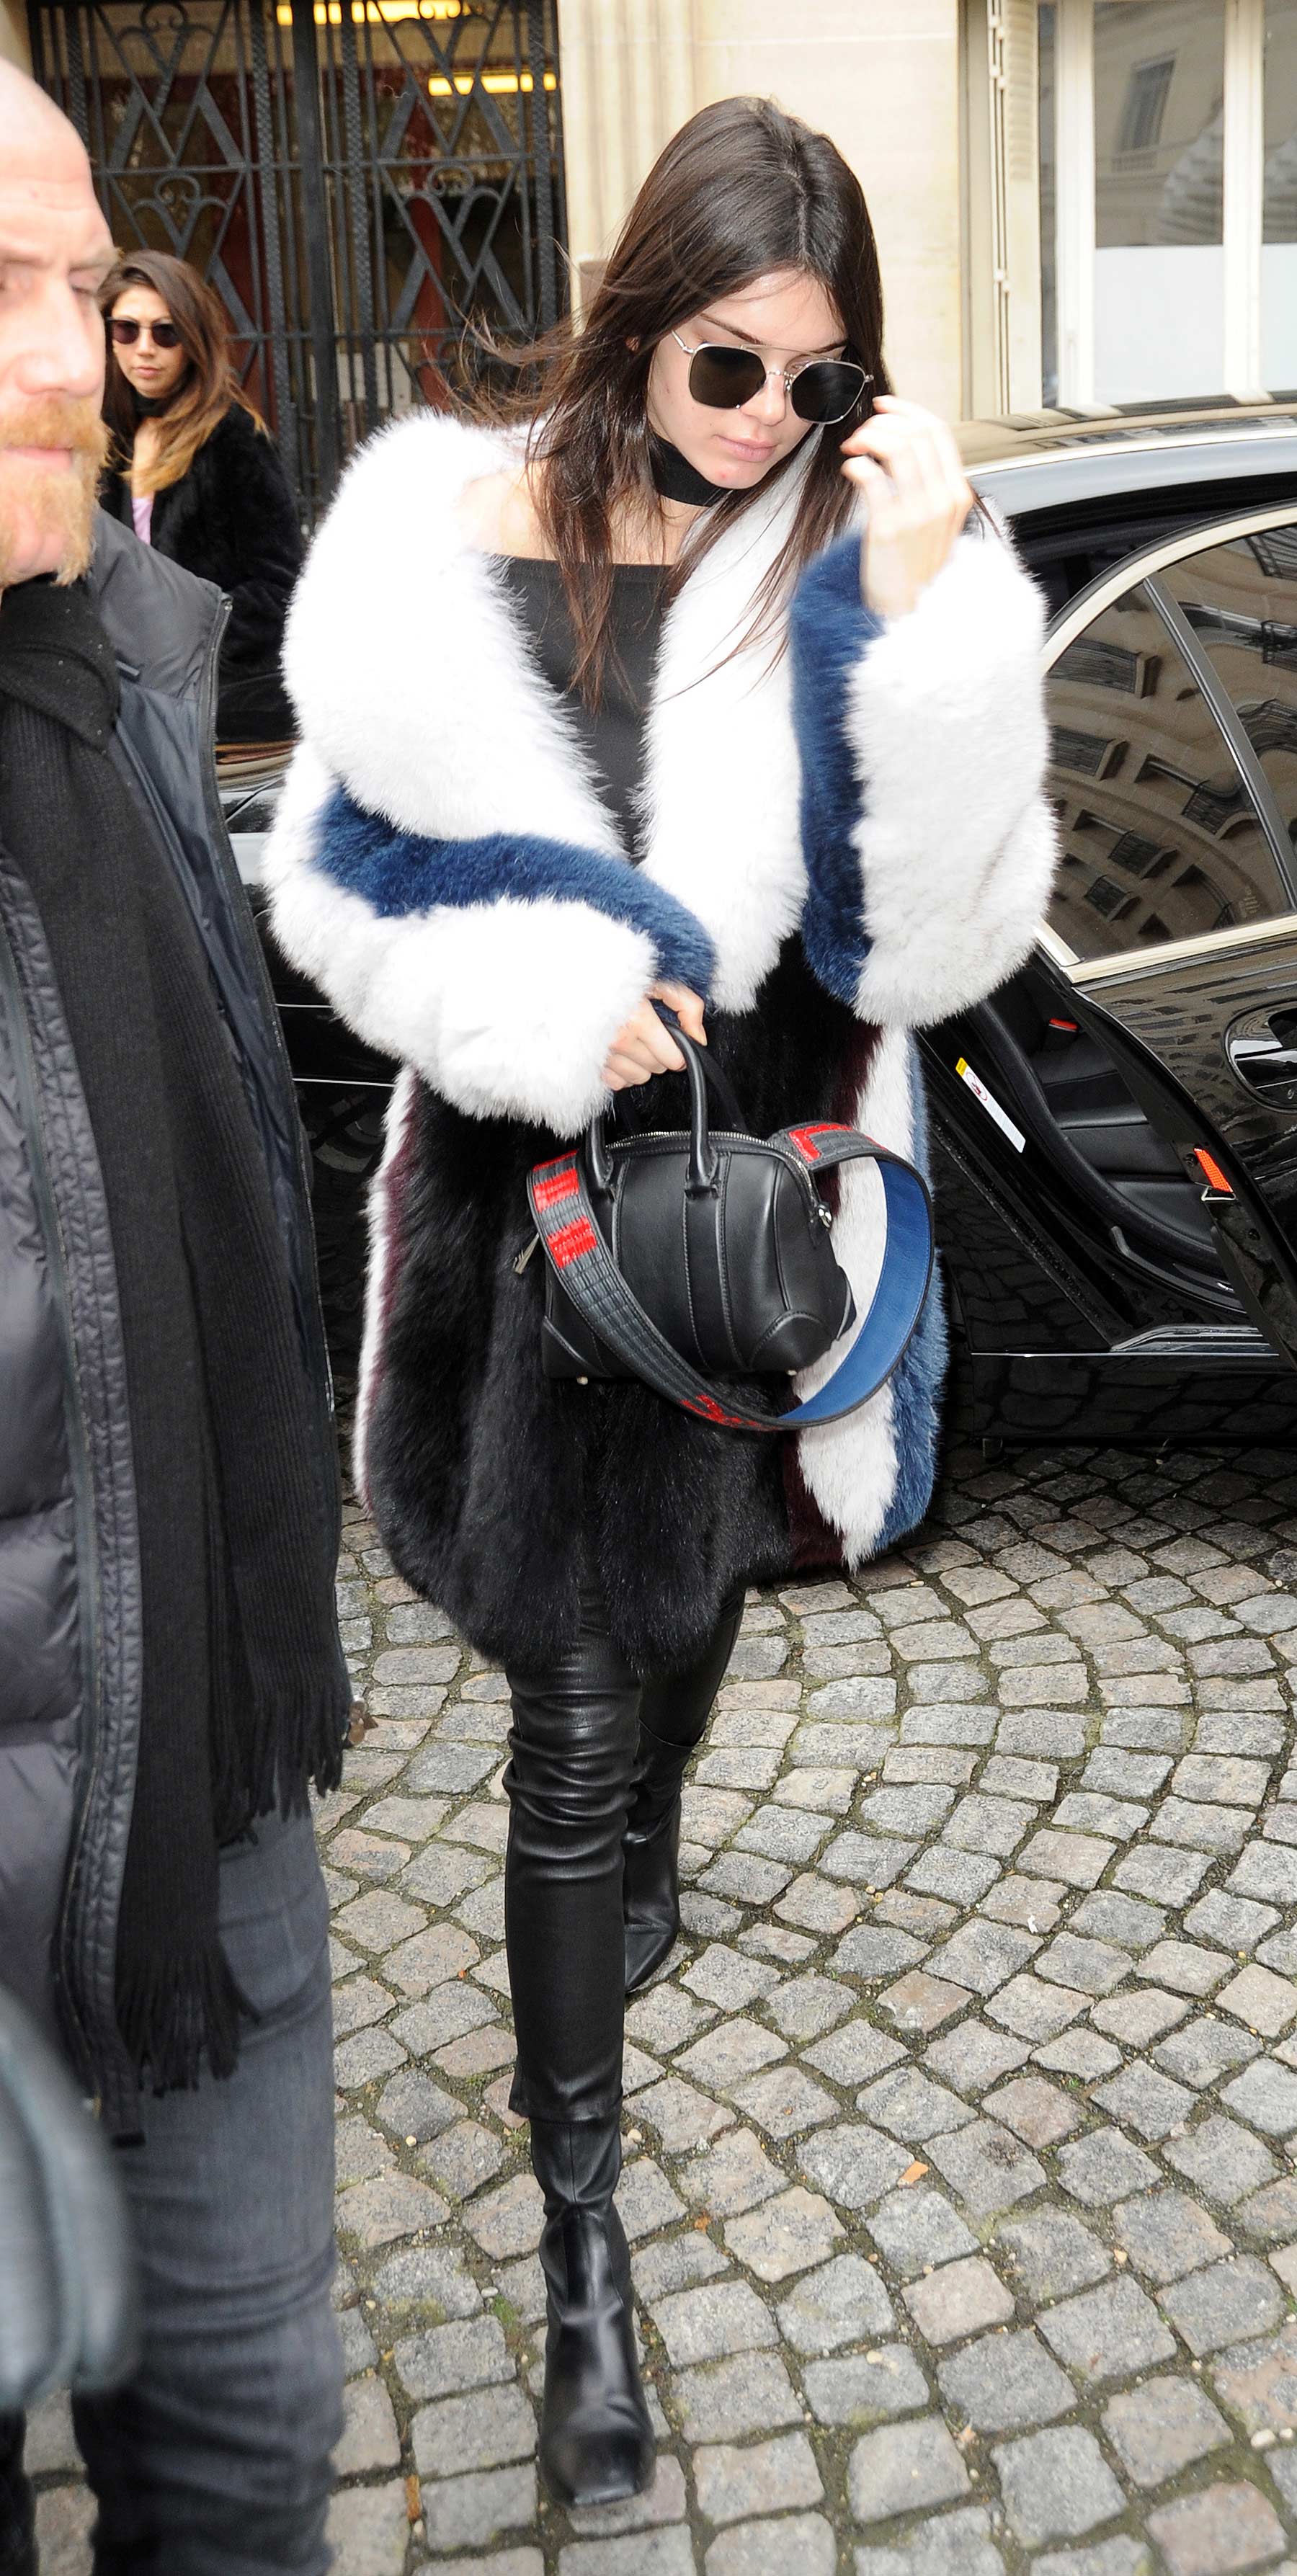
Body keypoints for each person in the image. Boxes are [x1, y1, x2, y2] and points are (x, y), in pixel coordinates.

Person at [267, 95, 1056, 2509]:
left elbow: (933, 948)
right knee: (570, 1730)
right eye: (730, 369)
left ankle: (664, 1828)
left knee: (685, 1652)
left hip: (755, 1229)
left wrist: (933, 635)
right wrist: (536, 1005)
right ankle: (585, 2259)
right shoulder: (442, 525)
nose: (764, 429)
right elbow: (334, 877)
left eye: (820, 384)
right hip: (525, 1242)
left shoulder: (864, 561)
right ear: (637, 319)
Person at [0, 62, 349, 2575]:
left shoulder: (124, 659)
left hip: (210, 1785)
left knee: (244, 2453)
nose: (70, 354)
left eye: (82, 279)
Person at [97, 248, 302, 741]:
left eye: (165, 333)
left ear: (192, 340)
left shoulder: (233, 438)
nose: (144, 348)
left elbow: (280, 588)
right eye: (126, 329)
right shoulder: (108, 437)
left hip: (218, 708)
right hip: (131, 701)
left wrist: (184, 635)